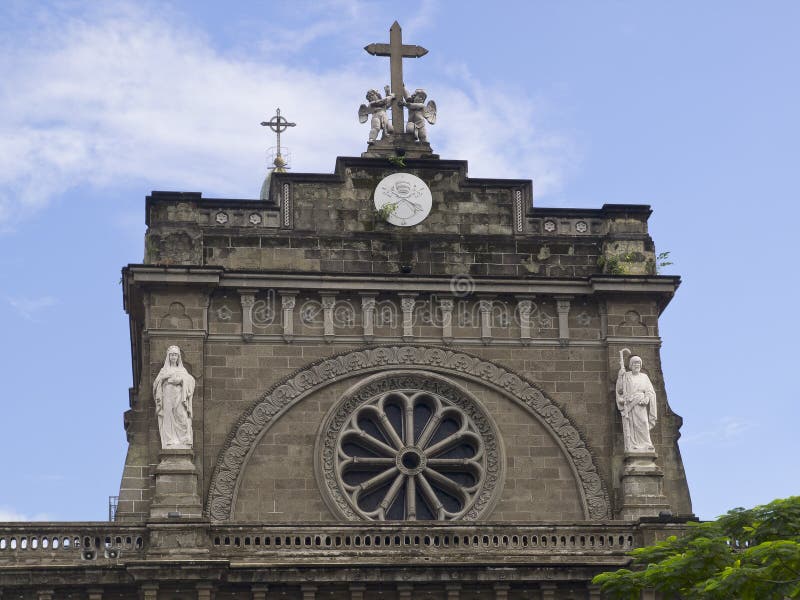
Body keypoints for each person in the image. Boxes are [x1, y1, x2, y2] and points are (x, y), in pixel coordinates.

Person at [153, 345, 196, 449]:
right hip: (167, 395)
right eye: (171, 355)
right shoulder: (164, 370)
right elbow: (156, 384)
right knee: (168, 416)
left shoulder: (182, 370)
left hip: (180, 396)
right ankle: (169, 440)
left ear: (178, 357)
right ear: (168, 356)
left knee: (182, 415)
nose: (173, 357)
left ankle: (184, 439)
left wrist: (181, 381)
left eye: (175, 355)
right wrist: (164, 378)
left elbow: (191, 381)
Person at [615, 353, 657, 452]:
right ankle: (633, 445)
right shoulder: (626, 375)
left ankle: (646, 444)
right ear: (630, 365)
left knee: (643, 422)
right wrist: (620, 377)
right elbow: (620, 389)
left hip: (641, 403)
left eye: (638, 364)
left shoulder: (644, 377)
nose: (636, 365)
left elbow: (650, 391)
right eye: (634, 364)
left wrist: (646, 398)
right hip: (630, 404)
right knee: (632, 424)